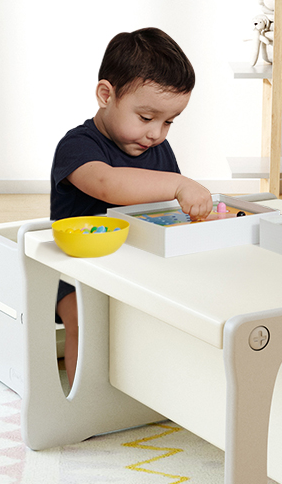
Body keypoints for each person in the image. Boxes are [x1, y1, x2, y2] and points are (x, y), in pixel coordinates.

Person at [49, 27, 212, 389]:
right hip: (78, 272)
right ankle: (86, 400)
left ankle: (157, 389)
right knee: (88, 320)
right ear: (107, 95)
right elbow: (108, 184)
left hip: (140, 267)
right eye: (146, 117)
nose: (157, 133)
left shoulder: (157, 150)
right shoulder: (77, 147)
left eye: (168, 121)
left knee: (177, 312)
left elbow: (169, 209)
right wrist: (178, 185)